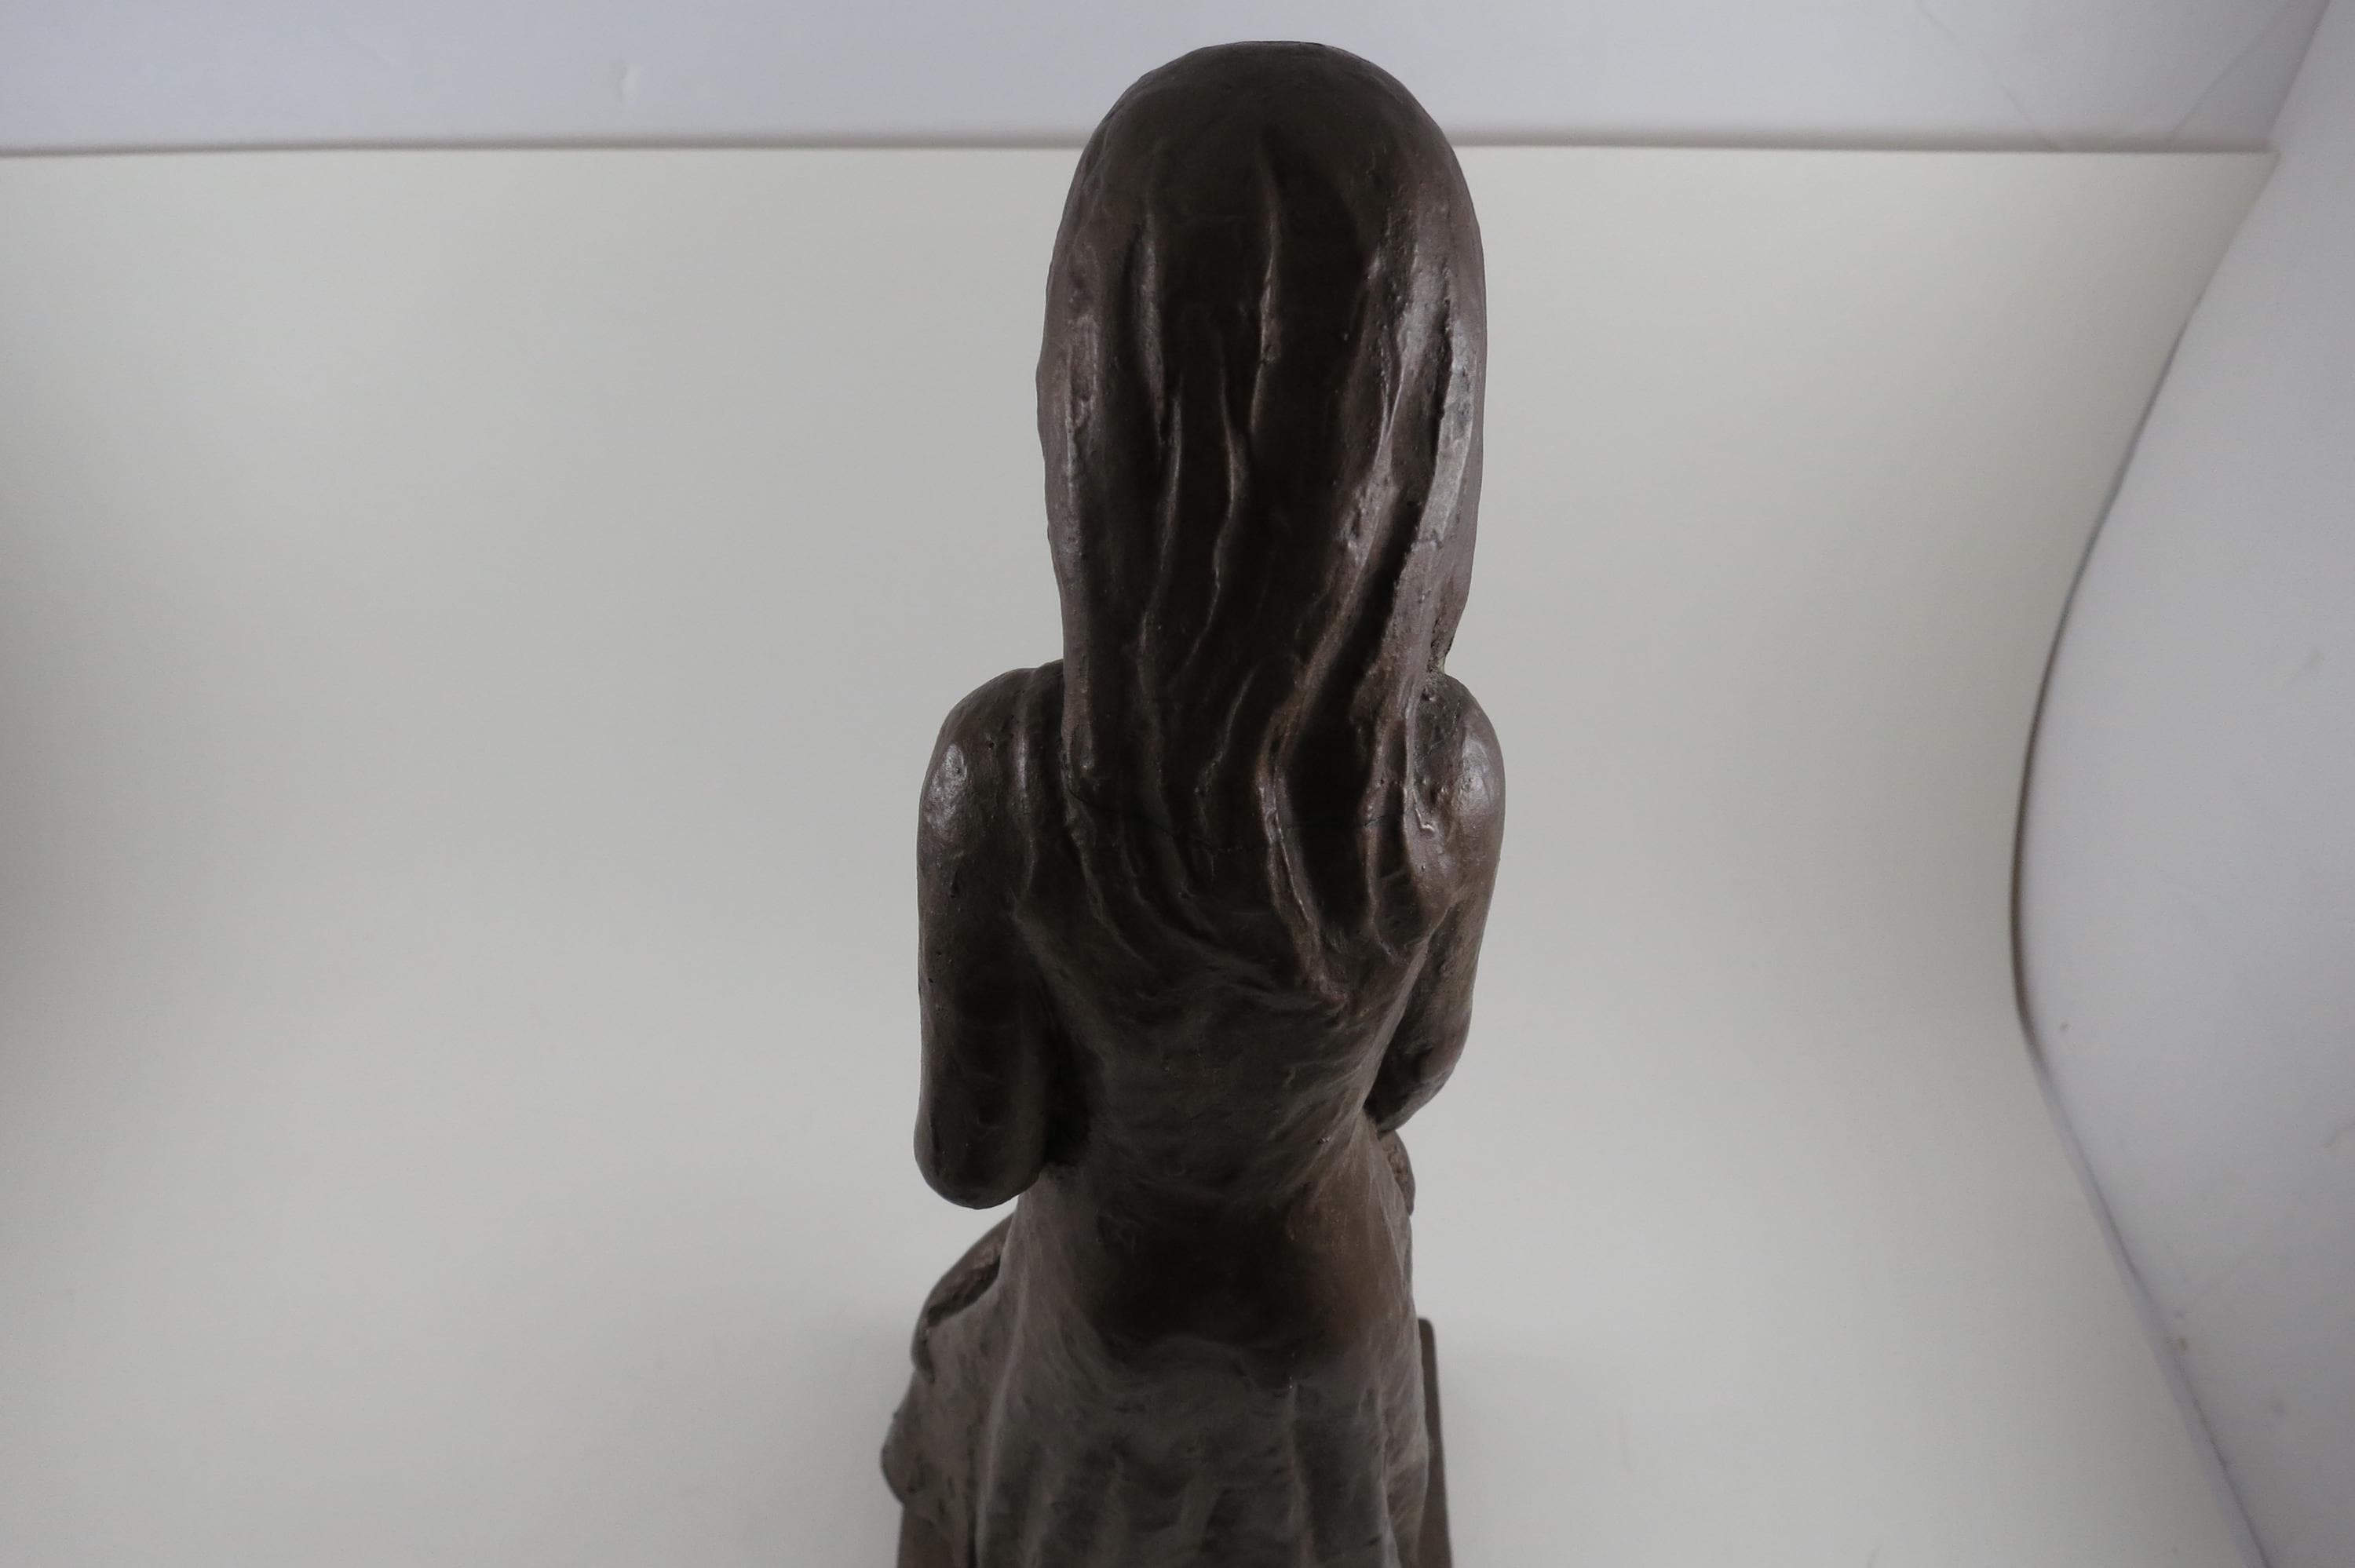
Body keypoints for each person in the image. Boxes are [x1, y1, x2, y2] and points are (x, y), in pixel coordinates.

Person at [882, 41, 1504, 1567]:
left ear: (1093, 409)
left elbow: (975, 1154)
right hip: (1333, 1308)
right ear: (1431, 420)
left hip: (1107, 1330)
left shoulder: (1006, 779)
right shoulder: (1447, 771)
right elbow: (1408, 1074)